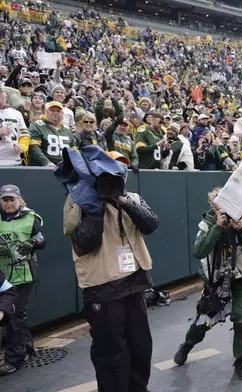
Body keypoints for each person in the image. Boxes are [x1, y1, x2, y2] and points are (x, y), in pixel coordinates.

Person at [63, 151, 159, 391]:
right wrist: (95, 208)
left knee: (140, 347)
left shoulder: (132, 197)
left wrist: (124, 201)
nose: (119, 175)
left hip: (134, 283)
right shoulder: (79, 200)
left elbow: (151, 224)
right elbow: (84, 242)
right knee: (111, 355)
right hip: (102, 288)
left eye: (122, 171)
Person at [173, 187, 242, 380]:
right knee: (203, 323)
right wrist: (218, 227)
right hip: (215, 281)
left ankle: (240, 360)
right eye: (221, 207)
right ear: (214, 207)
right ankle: (187, 345)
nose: (226, 211)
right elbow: (198, 251)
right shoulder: (207, 225)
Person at [0, 184, 45, 376]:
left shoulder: (31, 218)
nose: (9, 203)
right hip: (2, 275)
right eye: (5, 199)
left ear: (19, 199)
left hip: (23, 274)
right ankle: (26, 346)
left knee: (14, 316)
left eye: (12, 199)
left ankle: (14, 359)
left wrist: (33, 243)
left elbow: (42, 239)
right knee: (18, 315)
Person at [28, 101, 75, 167]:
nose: (55, 113)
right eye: (52, 110)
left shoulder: (67, 130)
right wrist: (46, 162)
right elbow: (34, 147)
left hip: (63, 168)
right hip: (41, 168)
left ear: (62, 114)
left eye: (58, 111)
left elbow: (73, 150)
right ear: (46, 112)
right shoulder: (37, 125)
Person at [0, 87, 29, 166]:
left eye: (1, 94)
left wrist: (22, 146)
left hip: (14, 161)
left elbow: (24, 135)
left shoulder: (16, 113)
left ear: (5, 95)